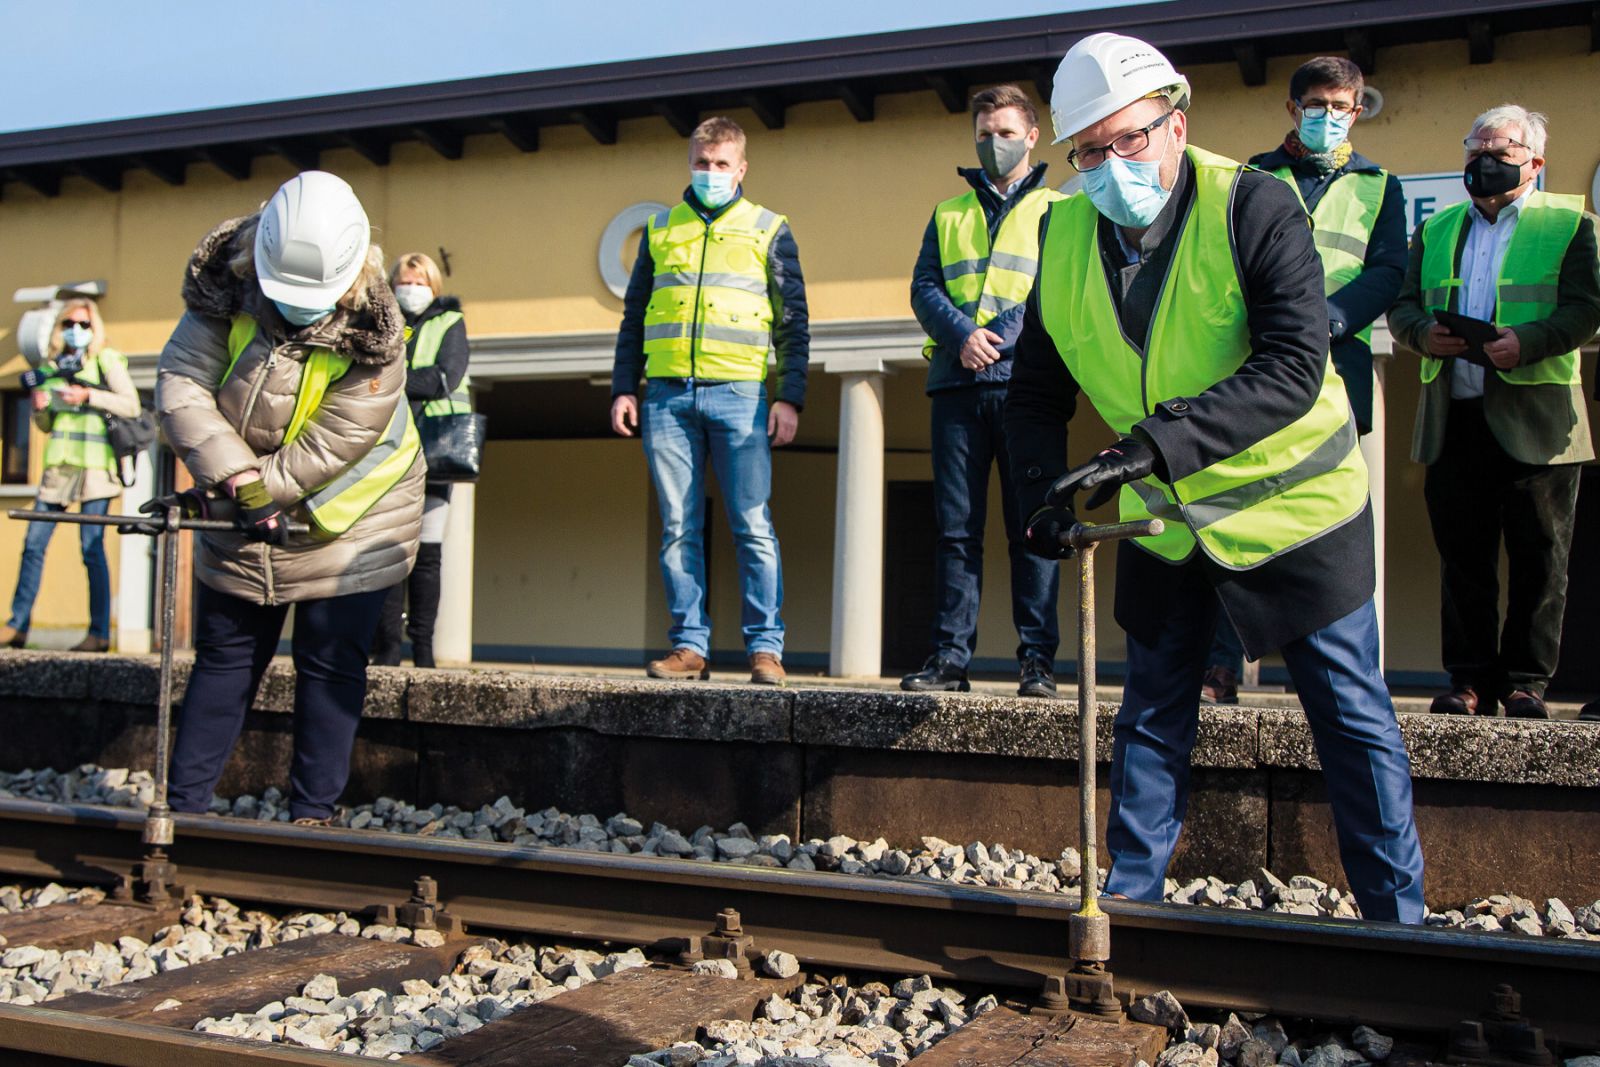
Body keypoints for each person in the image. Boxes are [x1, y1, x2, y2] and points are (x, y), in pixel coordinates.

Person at [1004, 33, 1425, 922]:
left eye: (1131, 140)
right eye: (1088, 151)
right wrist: (1041, 491)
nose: (1112, 165)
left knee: (1350, 721)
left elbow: (1293, 363)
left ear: (1176, 123)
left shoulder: (1255, 204)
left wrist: (1153, 446)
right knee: (1152, 717)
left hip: (1298, 511)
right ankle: (1127, 904)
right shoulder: (1062, 228)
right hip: (1166, 520)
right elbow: (1035, 389)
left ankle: (1402, 928)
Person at [152, 170, 423, 824]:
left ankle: (313, 818)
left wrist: (249, 490)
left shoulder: (376, 335)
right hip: (242, 505)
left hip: (355, 512)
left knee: (329, 665)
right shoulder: (223, 292)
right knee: (225, 658)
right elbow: (180, 386)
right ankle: (181, 815)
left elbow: (336, 441)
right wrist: (239, 482)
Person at [1201, 56, 1408, 705]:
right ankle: (1221, 663)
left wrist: (1328, 319)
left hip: (1335, 366)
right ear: (1293, 109)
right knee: (1239, 513)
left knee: (1328, 521)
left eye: (1342, 106)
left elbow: (1389, 269)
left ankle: (1339, 676)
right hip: (1255, 367)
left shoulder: (1382, 186)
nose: (1329, 117)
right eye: (1317, 105)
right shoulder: (1251, 177)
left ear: (1358, 109)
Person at [1387, 105, 1600, 720]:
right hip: (1455, 414)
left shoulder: (1570, 223)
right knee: (1463, 559)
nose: (1483, 159)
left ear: (1534, 162)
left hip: (1540, 421)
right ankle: (1470, 681)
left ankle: (1527, 683)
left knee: (1541, 557)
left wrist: (1526, 342)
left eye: (1500, 149)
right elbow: (1403, 308)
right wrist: (1423, 334)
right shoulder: (1437, 230)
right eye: (1473, 147)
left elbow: (1587, 310)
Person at [610, 116, 809, 686]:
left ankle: (765, 650)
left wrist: (789, 396)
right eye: (702, 163)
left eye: (722, 165)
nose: (711, 173)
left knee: (752, 523)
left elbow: (793, 321)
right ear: (689, 164)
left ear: (741, 169)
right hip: (666, 396)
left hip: (741, 395)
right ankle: (689, 645)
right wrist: (625, 386)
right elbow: (634, 317)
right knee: (678, 524)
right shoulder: (659, 229)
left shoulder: (769, 229)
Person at [901, 85, 1064, 698]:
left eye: (1004, 132)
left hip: (1030, 388)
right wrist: (962, 335)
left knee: (1036, 528)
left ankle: (1037, 663)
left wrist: (992, 336)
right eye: (983, 133)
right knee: (955, 531)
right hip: (957, 387)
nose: (992, 143)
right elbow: (923, 287)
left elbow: (1057, 286)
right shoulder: (947, 212)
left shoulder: (1061, 207)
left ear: (1032, 136)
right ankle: (949, 659)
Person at [0, 299, 140, 652]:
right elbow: (46, 425)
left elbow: (131, 404)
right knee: (33, 545)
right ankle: (17, 626)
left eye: (83, 324)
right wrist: (40, 410)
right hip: (58, 468)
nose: (75, 331)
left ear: (95, 329)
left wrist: (87, 394)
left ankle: (98, 633)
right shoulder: (50, 367)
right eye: (69, 324)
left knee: (92, 549)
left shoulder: (105, 360)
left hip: (96, 468)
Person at [370, 252, 470, 669]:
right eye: (404, 281)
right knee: (390, 555)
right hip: (385, 452)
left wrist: (392, 378)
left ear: (433, 285)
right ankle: (388, 649)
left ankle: (424, 650)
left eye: (419, 281)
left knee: (427, 556)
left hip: (433, 454)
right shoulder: (380, 323)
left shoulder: (450, 322)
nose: (410, 289)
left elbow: (445, 377)